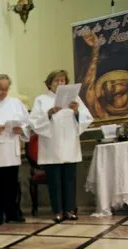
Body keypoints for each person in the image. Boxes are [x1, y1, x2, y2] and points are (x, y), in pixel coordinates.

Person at [29, 70, 93, 222]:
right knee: (55, 182)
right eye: (57, 81)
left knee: (69, 180)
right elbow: (33, 122)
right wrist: (49, 113)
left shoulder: (74, 98)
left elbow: (87, 117)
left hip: (69, 145)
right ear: (49, 83)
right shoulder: (41, 99)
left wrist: (76, 112)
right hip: (52, 147)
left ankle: (70, 210)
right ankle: (57, 211)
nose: (60, 83)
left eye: (63, 80)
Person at [0, 74, 30, 226]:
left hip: (10, 148)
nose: (2, 92)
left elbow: (26, 121)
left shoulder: (16, 103)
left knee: (11, 184)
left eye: (5, 89)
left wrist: (20, 129)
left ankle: (13, 212)